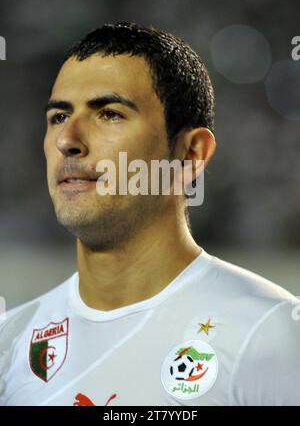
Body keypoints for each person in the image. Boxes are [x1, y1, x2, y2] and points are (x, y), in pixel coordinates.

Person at [0, 22, 299, 406]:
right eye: (58, 116)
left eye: (108, 113)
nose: (67, 140)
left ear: (191, 156)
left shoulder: (270, 334)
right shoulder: (11, 342)